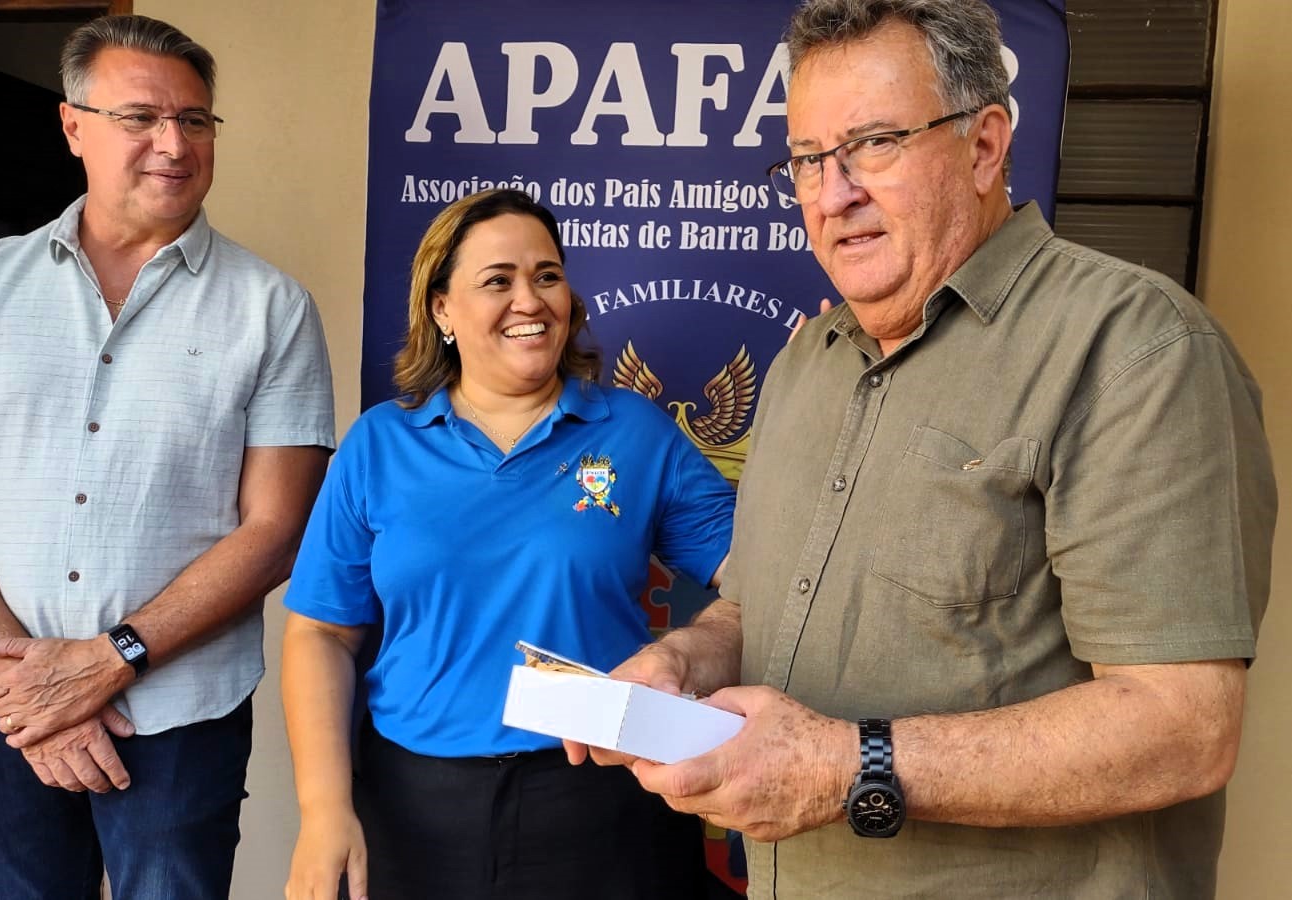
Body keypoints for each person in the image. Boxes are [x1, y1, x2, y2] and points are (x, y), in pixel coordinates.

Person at [568, 1, 1277, 897]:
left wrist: (838, 766)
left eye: (874, 144)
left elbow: (1182, 727)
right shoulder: (804, 364)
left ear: (983, 148)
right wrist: (678, 663)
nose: (832, 195)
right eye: (807, 161)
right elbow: (750, 608)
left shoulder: (1135, 348)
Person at [0, 14, 335, 900]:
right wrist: (27, 692)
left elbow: (276, 530)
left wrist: (106, 661)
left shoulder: (271, 309)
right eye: (140, 117)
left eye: (196, 121)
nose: (172, 144)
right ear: (73, 127)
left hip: (176, 718)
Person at [280, 187, 735, 900]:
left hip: (600, 796)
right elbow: (319, 636)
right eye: (498, 280)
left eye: (546, 275)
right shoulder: (379, 444)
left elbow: (763, 570)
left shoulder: (634, 432)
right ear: (441, 309)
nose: (530, 300)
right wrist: (322, 810)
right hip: (414, 804)